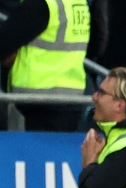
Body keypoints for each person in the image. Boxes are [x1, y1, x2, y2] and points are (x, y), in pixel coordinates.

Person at [0, 0, 91, 131]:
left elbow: (4, 43)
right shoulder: (78, 3)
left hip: (38, 99)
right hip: (71, 97)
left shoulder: (41, 5)